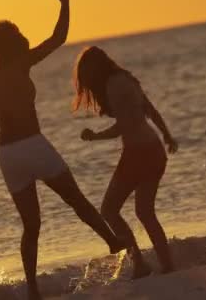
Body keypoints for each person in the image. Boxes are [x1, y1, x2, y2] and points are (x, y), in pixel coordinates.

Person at [0, 0, 125, 299]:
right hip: (33, 145)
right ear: (13, 46)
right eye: (20, 36)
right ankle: (114, 242)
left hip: (7, 155)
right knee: (76, 200)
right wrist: (64, 2)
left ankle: (33, 290)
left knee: (32, 226)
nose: (25, 38)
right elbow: (59, 37)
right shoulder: (21, 64)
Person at [73, 46, 178, 279]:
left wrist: (95, 136)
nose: (86, 81)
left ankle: (139, 263)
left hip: (138, 154)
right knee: (145, 211)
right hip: (153, 150)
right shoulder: (126, 78)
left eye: (86, 74)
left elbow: (125, 126)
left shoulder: (113, 85)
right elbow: (150, 111)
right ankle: (167, 264)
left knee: (109, 209)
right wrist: (167, 136)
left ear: (95, 69)